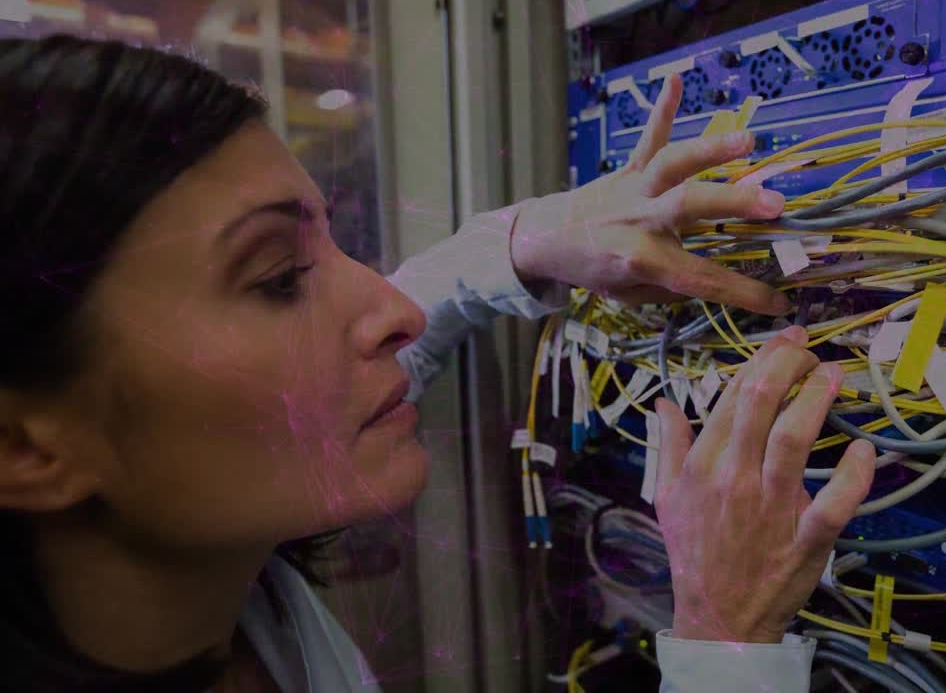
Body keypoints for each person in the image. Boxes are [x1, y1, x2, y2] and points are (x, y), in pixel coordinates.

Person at [0, 35, 875, 692]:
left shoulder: (223, 587)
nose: (397, 313)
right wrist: (725, 644)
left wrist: (533, 242)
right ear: (25, 448)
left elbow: (425, 302)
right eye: (277, 278)